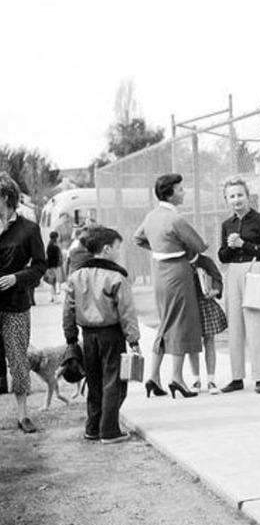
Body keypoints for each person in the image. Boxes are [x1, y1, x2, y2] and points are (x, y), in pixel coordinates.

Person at [63, 226, 141, 443]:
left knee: (94, 381)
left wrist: (70, 339)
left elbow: (68, 311)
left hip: (87, 336)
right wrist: (133, 340)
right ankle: (109, 430)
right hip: (111, 334)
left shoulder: (76, 276)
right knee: (114, 382)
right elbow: (126, 311)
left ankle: (92, 427)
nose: (118, 252)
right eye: (117, 248)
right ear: (107, 249)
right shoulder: (116, 276)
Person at [133, 173, 207, 399]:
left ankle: (153, 377)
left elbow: (138, 238)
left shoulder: (151, 216)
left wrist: (159, 250)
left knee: (165, 324)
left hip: (160, 273)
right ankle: (177, 378)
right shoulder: (176, 219)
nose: (183, 192)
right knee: (181, 324)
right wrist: (181, 251)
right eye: (180, 189)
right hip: (178, 273)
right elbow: (201, 246)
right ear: (170, 193)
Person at [217, 175, 260, 394]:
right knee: (235, 325)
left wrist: (244, 244)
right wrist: (231, 247)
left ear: (248, 196)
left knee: (256, 324)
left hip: (255, 268)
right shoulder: (227, 224)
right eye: (231, 196)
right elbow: (222, 256)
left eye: (240, 195)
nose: (236, 199)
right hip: (234, 271)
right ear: (227, 200)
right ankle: (236, 376)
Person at [0, 173, 47, 432]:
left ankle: (23, 414)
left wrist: (17, 278)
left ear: (6, 198)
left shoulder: (29, 229)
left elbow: (41, 266)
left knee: (18, 358)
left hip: (15, 304)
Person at [188, 253, 227, 393]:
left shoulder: (205, 261)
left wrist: (215, 290)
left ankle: (211, 381)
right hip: (189, 306)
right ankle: (195, 380)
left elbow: (217, 278)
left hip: (206, 304)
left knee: (209, 340)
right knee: (192, 344)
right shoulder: (180, 262)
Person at [44, 230, 63, 301]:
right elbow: (56, 257)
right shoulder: (54, 246)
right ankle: (54, 297)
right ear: (55, 237)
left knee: (53, 282)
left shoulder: (49, 245)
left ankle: (52, 297)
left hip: (50, 266)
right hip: (54, 267)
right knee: (53, 282)